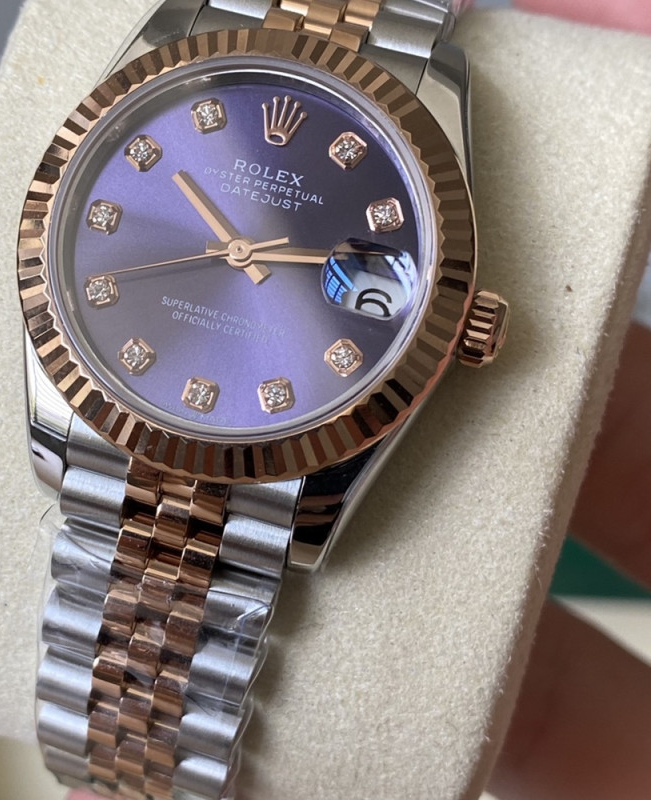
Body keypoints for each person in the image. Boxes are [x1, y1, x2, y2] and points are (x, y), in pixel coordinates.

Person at [70, 2, 651, 797]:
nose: (239, 253)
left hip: (268, 463)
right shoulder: (189, 36)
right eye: (233, 249)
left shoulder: (424, 90)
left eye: (243, 254)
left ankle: (143, 757)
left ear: (468, 325)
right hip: (121, 402)